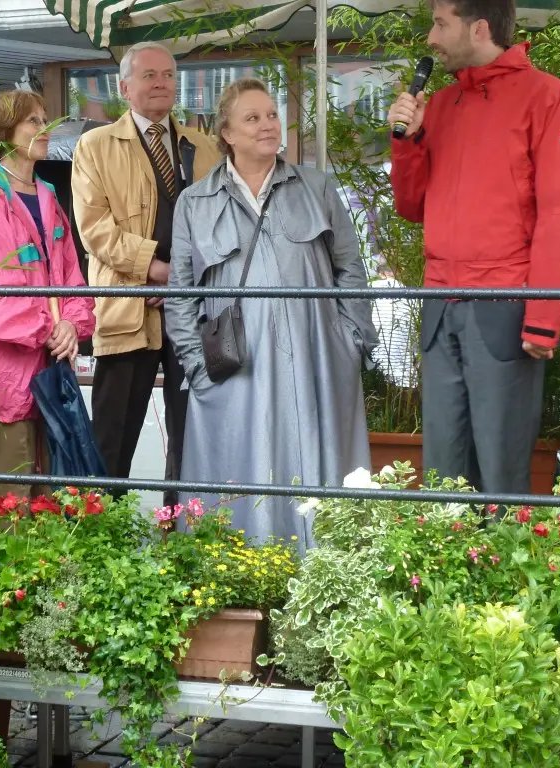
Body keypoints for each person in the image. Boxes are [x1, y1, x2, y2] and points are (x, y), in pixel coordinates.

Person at [387, 0, 560, 493]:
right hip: (441, 303)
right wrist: (407, 142)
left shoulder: (547, 96)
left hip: (505, 303)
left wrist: (544, 316)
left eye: (441, 24)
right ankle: (442, 549)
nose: (431, 38)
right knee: (442, 474)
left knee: (502, 474)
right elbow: (412, 206)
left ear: (478, 28)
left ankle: (505, 545)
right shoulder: (440, 105)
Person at [165, 78, 377, 552]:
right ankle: (238, 577)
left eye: (272, 115)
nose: (267, 125)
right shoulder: (194, 202)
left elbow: (351, 270)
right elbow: (180, 296)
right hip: (234, 372)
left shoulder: (317, 188)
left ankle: (322, 575)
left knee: (320, 480)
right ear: (227, 134)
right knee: (239, 482)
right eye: (253, 118)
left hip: (318, 363)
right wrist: (198, 368)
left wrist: (351, 343)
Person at [71, 42, 220, 506]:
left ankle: (186, 532)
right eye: (149, 75)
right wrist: (155, 271)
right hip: (127, 306)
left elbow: (221, 227)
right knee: (112, 436)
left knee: (192, 436)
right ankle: (100, 536)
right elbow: (95, 230)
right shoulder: (95, 145)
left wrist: (181, 282)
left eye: (169, 75)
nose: (161, 83)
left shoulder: (204, 147)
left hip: (192, 311)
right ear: (124, 87)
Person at [0, 89, 96, 499]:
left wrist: (72, 324)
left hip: (52, 364)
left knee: (55, 492)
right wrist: (51, 329)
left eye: (45, 119)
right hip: (6, 371)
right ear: (5, 131)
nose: (45, 128)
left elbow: (73, 278)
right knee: (12, 497)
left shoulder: (47, 194)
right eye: (33, 121)